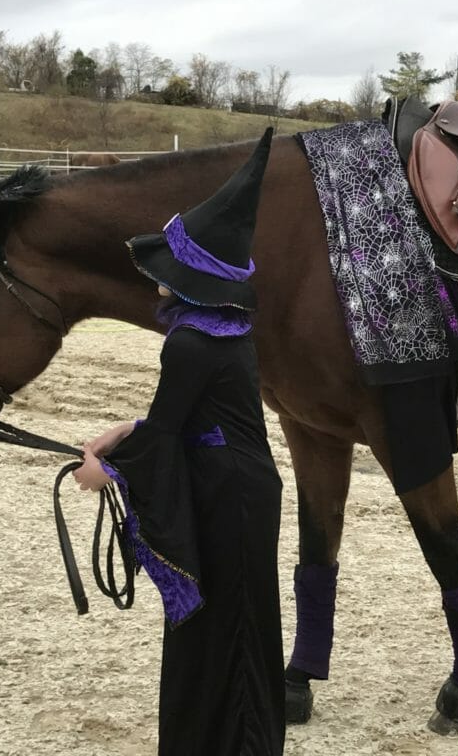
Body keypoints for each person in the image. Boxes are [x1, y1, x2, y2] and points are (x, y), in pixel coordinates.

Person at [73, 128, 285, 756]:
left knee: (231, 625)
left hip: (229, 492)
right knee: (233, 620)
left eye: (170, 267)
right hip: (240, 481)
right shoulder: (223, 328)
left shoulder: (191, 340)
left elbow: (167, 432)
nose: (156, 277)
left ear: (195, 276)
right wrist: (123, 433)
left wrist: (105, 474)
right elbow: (179, 420)